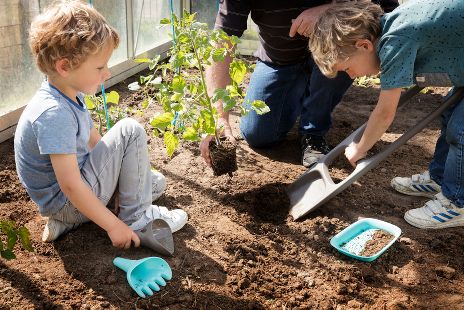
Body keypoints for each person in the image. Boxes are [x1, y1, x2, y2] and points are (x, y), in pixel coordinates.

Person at [14, 1, 188, 249]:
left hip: (72, 200)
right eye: (99, 67)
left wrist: (116, 177)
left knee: (155, 182)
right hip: (68, 202)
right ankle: (137, 220)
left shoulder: (67, 92)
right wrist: (114, 226)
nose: (106, 73)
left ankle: (72, 222)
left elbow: (94, 140)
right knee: (130, 130)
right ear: (64, 66)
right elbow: (71, 185)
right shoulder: (53, 114)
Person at [309, 0, 464, 229]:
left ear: (364, 46)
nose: (351, 76)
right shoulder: (393, 28)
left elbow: (384, 113)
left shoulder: (395, 42)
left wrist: (360, 148)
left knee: (460, 130)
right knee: (450, 114)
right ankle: (439, 178)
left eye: (347, 68)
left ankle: (456, 203)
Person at [200, 0, 398, 168]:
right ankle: (302, 89)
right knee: (258, 134)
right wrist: (219, 117)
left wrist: (330, 11)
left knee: (336, 64)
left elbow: (386, 8)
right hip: (279, 58)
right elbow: (221, 42)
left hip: (338, 54)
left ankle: (314, 132)